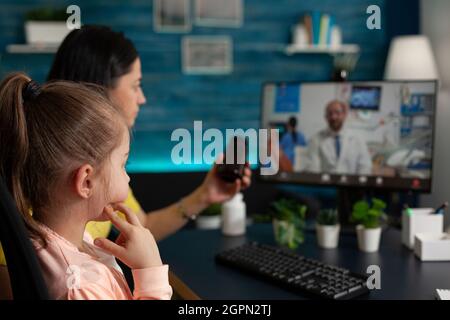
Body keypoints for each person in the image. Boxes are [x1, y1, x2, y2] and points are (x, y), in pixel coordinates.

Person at [0, 25, 251, 299]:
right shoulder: (78, 282)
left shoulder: (63, 233)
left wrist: (205, 195)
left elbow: (141, 227)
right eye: (135, 85)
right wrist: (151, 271)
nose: (141, 98)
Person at [0, 72, 173, 299]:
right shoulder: (81, 285)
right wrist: (150, 272)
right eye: (123, 164)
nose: (128, 178)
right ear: (86, 181)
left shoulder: (58, 245)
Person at [304, 100, 372, 175]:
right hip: (326, 184)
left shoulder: (358, 139)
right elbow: (313, 168)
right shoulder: (315, 139)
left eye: (337, 113)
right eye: (330, 114)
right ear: (325, 117)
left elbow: (365, 166)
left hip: (351, 184)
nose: (333, 117)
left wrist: (357, 184)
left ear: (344, 115)